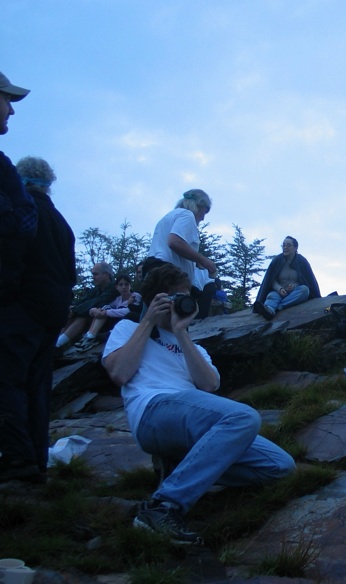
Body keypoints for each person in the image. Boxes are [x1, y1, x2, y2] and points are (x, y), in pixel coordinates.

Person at [102, 263, 295, 544]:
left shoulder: (196, 345)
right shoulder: (127, 328)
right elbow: (119, 373)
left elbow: (209, 385)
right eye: (174, 296)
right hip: (152, 408)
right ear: (155, 299)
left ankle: (182, 466)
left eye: (185, 295)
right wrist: (148, 322)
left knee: (280, 466)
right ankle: (163, 506)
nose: (182, 301)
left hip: (188, 414)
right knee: (243, 418)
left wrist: (181, 331)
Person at [0, 144, 76, 479]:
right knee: (37, 384)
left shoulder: (22, 213)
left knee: (8, 379)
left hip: (22, 308)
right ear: (49, 183)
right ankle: (37, 459)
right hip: (54, 312)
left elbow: (11, 261)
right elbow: (71, 273)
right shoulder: (61, 222)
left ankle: (18, 458)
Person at [146, 189, 216, 319]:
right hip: (168, 277)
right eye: (205, 211)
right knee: (170, 323)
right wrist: (204, 261)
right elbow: (174, 242)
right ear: (199, 205)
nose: (203, 217)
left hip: (155, 272)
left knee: (150, 321)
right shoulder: (187, 215)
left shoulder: (168, 217)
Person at [253, 236, 320, 320]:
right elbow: (271, 280)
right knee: (271, 295)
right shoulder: (277, 260)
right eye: (284, 245)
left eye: (288, 245)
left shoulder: (302, 261)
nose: (285, 247)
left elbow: (307, 281)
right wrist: (279, 289)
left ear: (295, 248)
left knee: (304, 290)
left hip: (294, 294)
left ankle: (278, 307)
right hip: (279, 292)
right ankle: (269, 309)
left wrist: (294, 286)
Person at [55, 261, 117, 350]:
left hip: (107, 322)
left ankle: (57, 344)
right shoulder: (96, 289)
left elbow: (98, 302)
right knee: (69, 315)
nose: (93, 277)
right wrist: (71, 308)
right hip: (95, 320)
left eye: (95, 274)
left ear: (106, 275)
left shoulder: (114, 288)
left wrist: (74, 310)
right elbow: (84, 300)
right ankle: (55, 341)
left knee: (81, 318)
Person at [72, 274, 142, 351]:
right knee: (103, 311)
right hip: (116, 322)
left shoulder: (135, 296)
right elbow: (105, 307)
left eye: (126, 284)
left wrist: (106, 312)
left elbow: (127, 311)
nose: (124, 287)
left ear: (130, 286)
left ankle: (90, 337)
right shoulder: (117, 299)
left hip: (127, 323)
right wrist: (94, 310)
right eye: (121, 285)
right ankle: (89, 336)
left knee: (105, 311)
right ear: (116, 287)